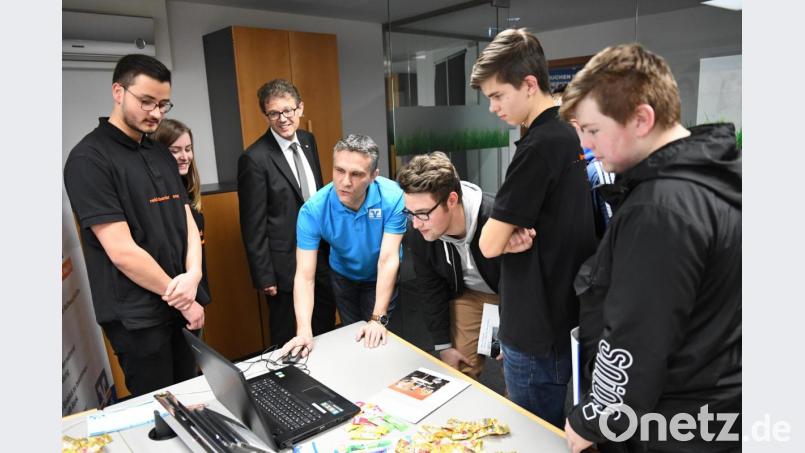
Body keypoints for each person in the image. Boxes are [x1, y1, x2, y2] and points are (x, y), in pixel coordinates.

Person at [559, 44, 741, 452]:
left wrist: (594, 419)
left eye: (592, 130)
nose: (586, 145)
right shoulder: (714, 180)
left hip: (673, 421)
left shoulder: (661, 208)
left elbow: (637, 336)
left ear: (641, 118)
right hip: (717, 406)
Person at [470, 28, 598, 428]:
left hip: (536, 325)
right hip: (562, 314)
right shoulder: (567, 134)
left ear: (528, 85)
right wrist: (508, 236)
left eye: (497, 95)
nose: (493, 107)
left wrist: (503, 239)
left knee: (529, 432)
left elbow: (488, 244)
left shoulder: (539, 147)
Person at [63, 54, 208, 396]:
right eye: (146, 102)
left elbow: (185, 218)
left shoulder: (159, 152)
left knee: (190, 396)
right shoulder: (89, 159)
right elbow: (122, 251)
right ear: (118, 91)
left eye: (163, 104)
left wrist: (194, 276)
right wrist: (184, 298)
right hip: (139, 318)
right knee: (158, 411)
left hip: (183, 300)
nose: (156, 113)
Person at [398, 152, 530, 379]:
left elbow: (527, 285)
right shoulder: (420, 231)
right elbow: (430, 288)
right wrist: (443, 345)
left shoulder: (495, 218)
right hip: (467, 294)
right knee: (455, 371)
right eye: (410, 213)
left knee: (518, 373)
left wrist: (514, 334)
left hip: (512, 295)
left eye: (422, 214)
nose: (416, 223)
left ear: (451, 200)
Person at [280, 134, 406, 357]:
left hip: (380, 274)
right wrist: (303, 330)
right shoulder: (313, 210)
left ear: (374, 176)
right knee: (353, 335)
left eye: (357, 174)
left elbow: (388, 259)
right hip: (343, 275)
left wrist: (378, 318)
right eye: (340, 171)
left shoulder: (393, 197)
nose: (345, 182)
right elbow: (305, 276)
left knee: (377, 339)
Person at [238, 79, 336, 347]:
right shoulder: (254, 158)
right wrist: (264, 275)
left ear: (300, 108)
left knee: (325, 327)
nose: (282, 119)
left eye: (288, 111)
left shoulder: (308, 140)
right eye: (274, 113)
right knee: (288, 337)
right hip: (285, 267)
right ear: (266, 115)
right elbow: (252, 223)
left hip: (322, 256)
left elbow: (315, 196)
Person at [153, 119, 211, 304]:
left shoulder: (186, 188)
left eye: (188, 149)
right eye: (175, 151)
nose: (184, 156)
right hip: (176, 297)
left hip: (196, 290)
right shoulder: (158, 196)